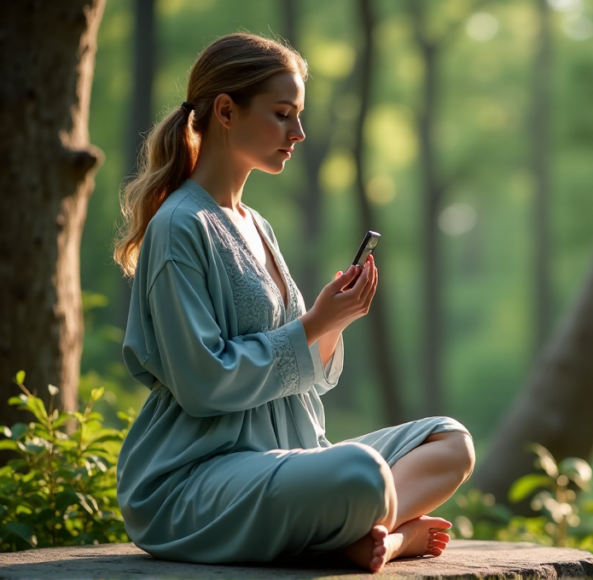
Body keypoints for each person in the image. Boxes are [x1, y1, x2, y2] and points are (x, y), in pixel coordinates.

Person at [112, 33, 474, 572]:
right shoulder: (179, 227)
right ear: (227, 111)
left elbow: (307, 370)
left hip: (290, 462)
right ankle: (386, 535)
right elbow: (201, 382)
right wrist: (311, 325)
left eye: (298, 116)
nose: (298, 133)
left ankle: (371, 535)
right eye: (283, 114)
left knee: (451, 440)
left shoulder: (257, 225)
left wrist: (334, 322)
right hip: (194, 481)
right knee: (360, 472)